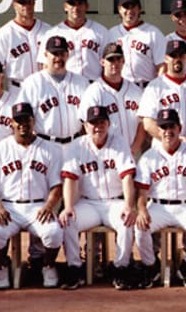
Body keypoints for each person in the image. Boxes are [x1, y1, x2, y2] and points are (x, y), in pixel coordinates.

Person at [0, 102, 64, 289]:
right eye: (18, 120)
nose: (22, 124)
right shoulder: (0, 149)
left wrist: (49, 205)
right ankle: (2, 267)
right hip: (9, 207)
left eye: (26, 119)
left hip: (38, 207)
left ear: (33, 121)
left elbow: (56, 186)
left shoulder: (50, 149)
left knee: (54, 233)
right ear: (11, 123)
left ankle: (48, 265)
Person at [58, 106, 139, 290]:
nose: (98, 127)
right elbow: (70, 178)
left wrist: (128, 205)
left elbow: (127, 177)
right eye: (93, 123)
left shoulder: (119, 142)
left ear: (108, 124)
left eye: (102, 122)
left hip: (115, 202)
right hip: (88, 203)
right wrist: (68, 206)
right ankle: (74, 268)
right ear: (86, 126)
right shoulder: (77, 145)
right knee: (68, 220)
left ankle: (121, 268)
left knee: (127, 220)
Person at [132, 109, 186, 289]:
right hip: (158, 207)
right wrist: (142, 210)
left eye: (171, 126)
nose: (168, 131)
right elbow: (141, 193)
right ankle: (152, 267)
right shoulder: (148, 157)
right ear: (158, 131)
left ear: (179, 128)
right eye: (163, 127)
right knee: (139, 227)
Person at [18, 36, 91, 146]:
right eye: (55, 54)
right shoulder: (32, 83)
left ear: (67, 55)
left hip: (75, 144)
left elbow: (88, 119)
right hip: (45, 144)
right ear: (46, 55)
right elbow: (22, 119)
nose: (58, 58)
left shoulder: (81, 82)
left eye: (62, 54)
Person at [137, 40, 186, 148]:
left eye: (181, 55)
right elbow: (148, 123)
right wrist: (173, 140)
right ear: (166, 58)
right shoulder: (155, 87)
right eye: (173, 56)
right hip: (163, 149)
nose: (177, 59)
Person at [79, 43, 147, 152]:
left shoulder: (136, 91)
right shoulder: (94, 91)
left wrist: (135, 148)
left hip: (133, 152)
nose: (115, 63)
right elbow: (86, 126)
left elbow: (142, 124)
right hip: (107, 153)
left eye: (118, 59)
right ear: (102, 62)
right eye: (111, 59)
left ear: (123, 61)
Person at [0, 0, 53, 86]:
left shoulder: (48, 31)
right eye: (22, 3)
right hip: (18, 88)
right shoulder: (4, 34)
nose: (26, 6)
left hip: (45, 86)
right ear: (14, 5)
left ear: (34, 3)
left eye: (29, 2)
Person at [40, 0, 111, 81]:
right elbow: (45, 65)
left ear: (87, 6)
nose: (76, 8)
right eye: (72, 4)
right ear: (65, 6)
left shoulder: (101, 31)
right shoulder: (53, 33)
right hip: (66, 86)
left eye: (80, 4)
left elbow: (109, 63)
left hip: (93, 85)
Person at [111, 0, 167, 86]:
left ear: (139, 9)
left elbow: (162, 66)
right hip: (120, 89)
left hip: (146, 88)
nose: (130, 11)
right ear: (119, 9)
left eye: (133, 6)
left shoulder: (153, 33)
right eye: (126, 7)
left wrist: (157, 88)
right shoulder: (111, 33)